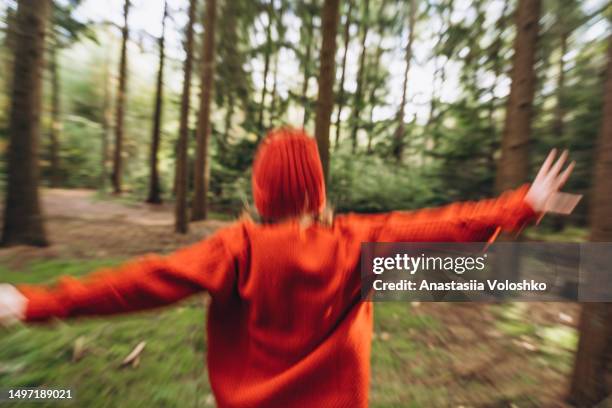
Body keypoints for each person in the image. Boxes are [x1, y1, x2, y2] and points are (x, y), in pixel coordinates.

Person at [0, 128, 577, 407]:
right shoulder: (357, 242)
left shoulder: (234, 249)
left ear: (259, 191)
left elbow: (139, 283)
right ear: (318, 191)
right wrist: (521, 206)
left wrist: (33, 303)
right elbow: (448, 225)